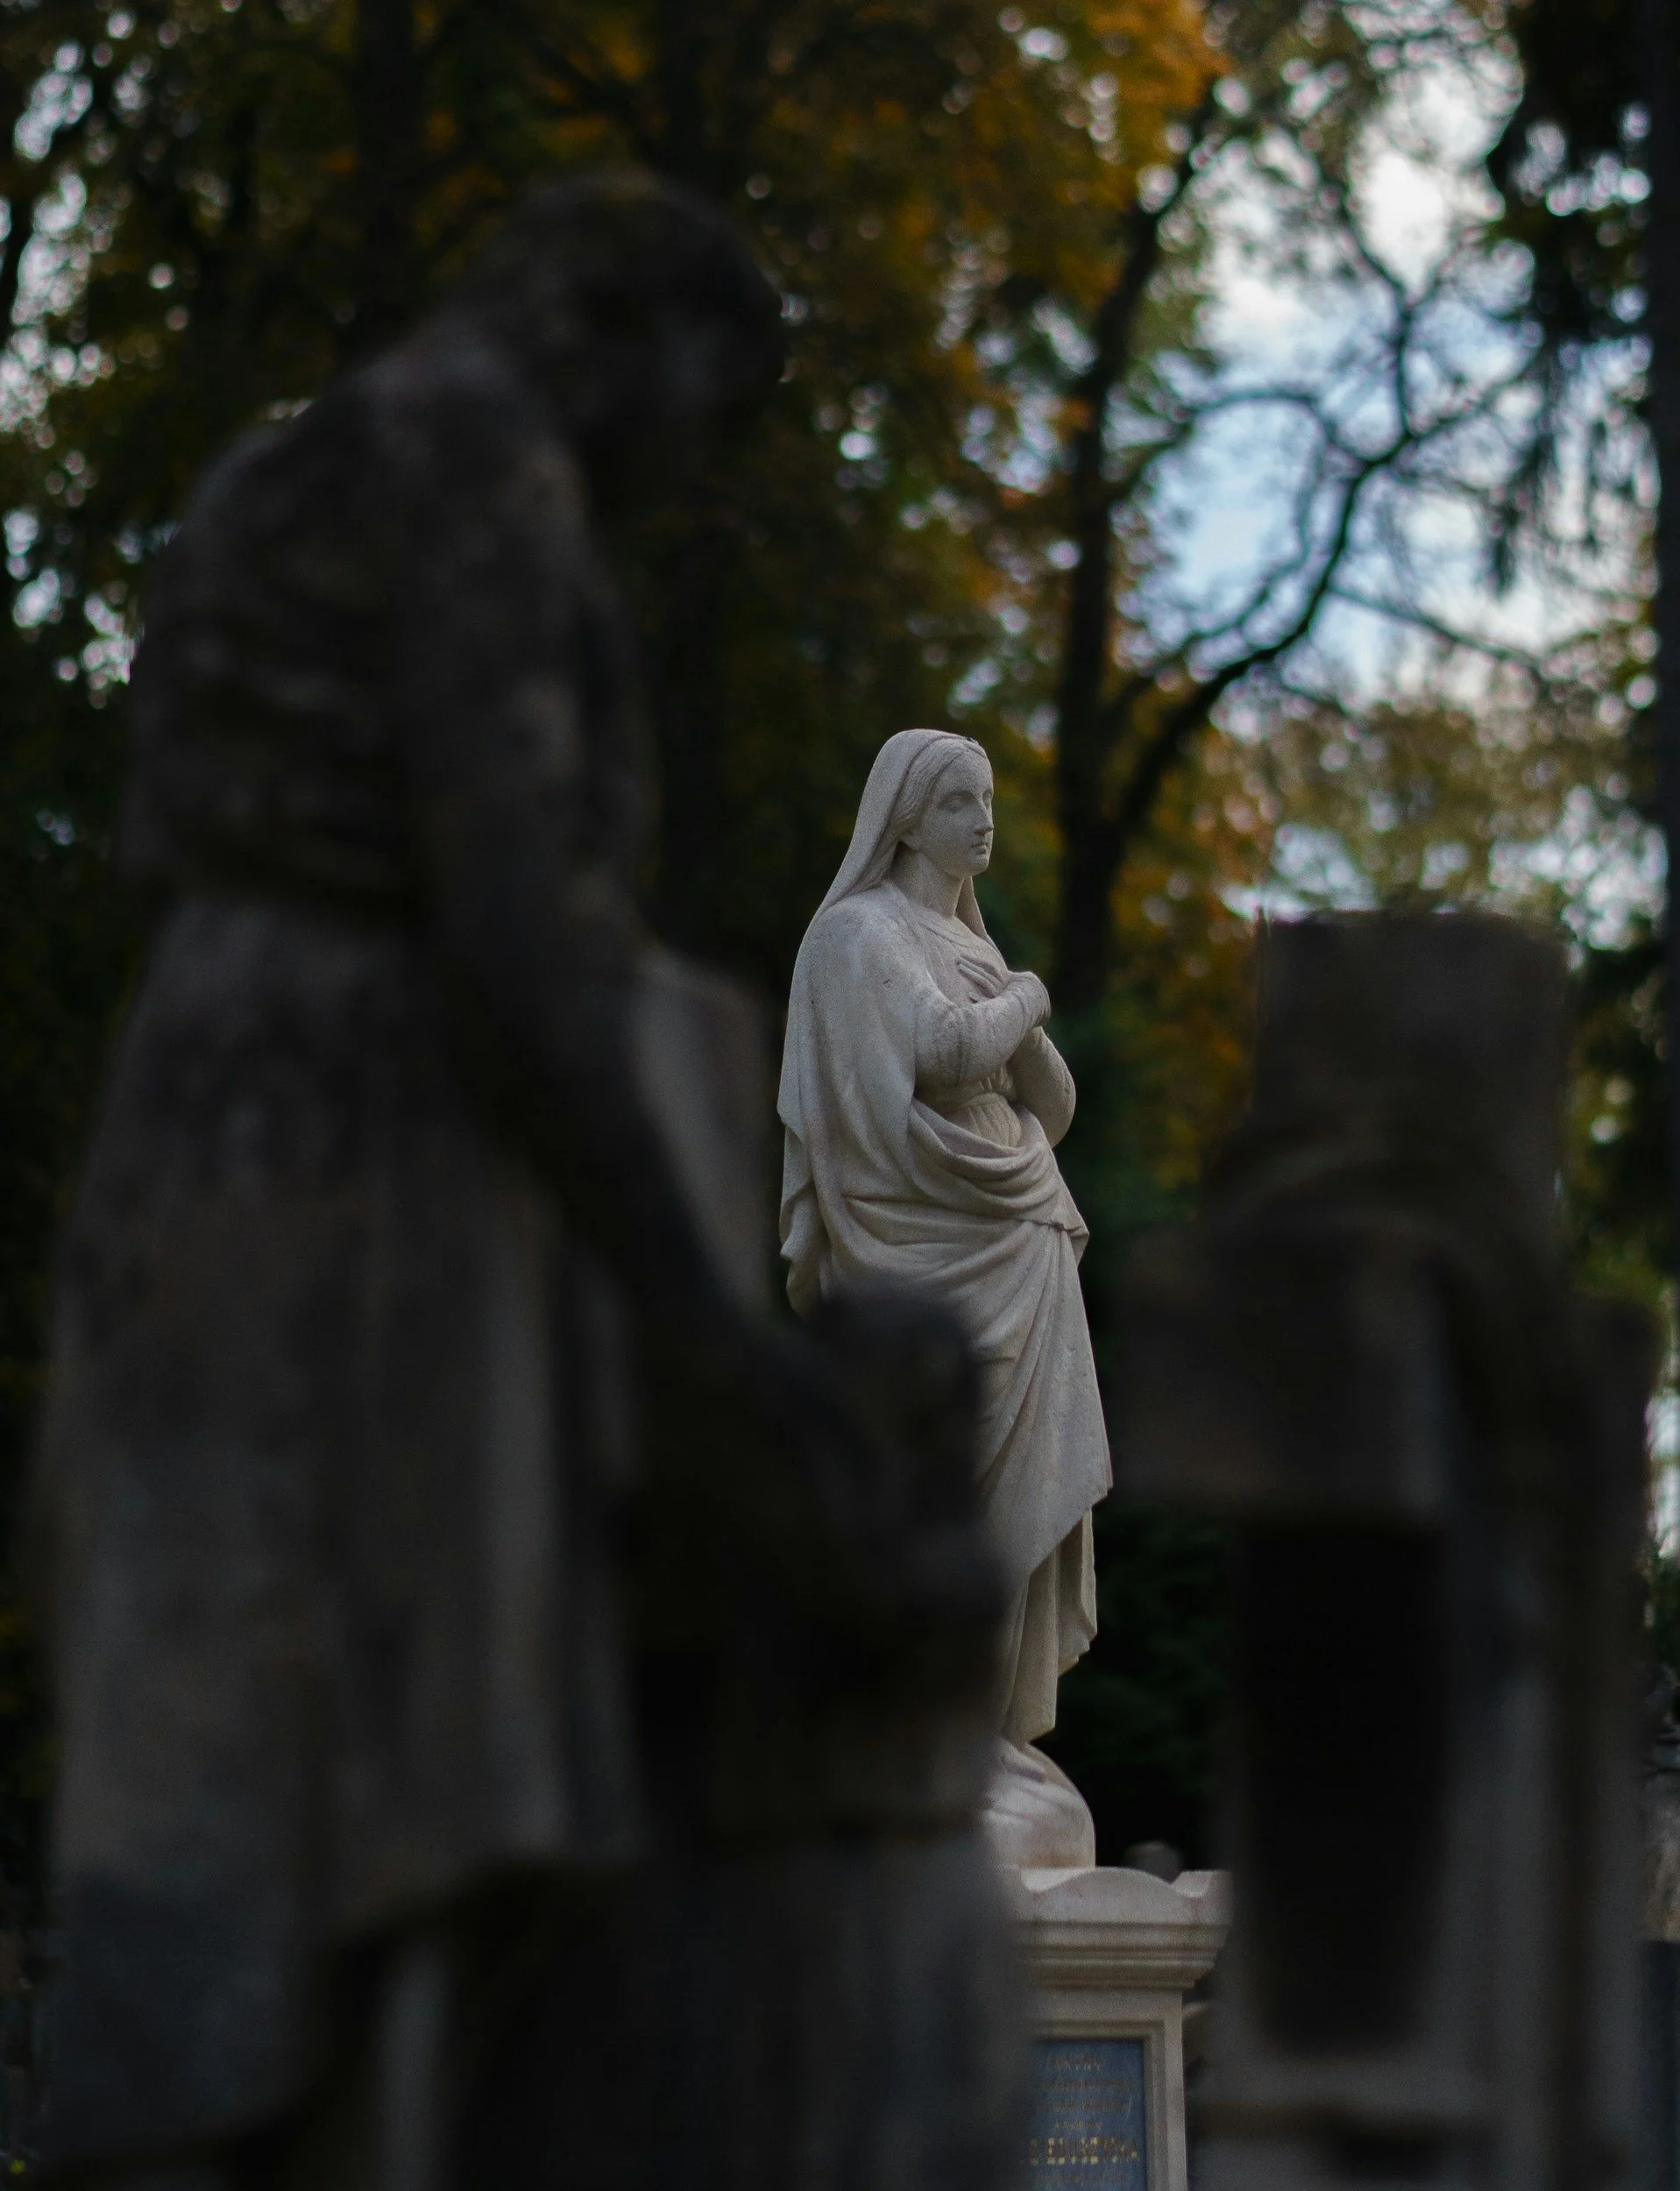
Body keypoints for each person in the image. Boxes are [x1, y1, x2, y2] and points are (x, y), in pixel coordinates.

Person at [34, 177, 1015, 2191]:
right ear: (615, 335)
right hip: (368, 1147)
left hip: (206, 1105)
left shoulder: (273, 479)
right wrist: (695, 1320)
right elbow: (512, 939)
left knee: (221, 1704)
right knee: (370, 1734)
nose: (678, 474)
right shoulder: (483, 474)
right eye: (699, 409)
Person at [778, 728, 1110, 1852]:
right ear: (906, 818)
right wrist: (1025, 996)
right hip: (921, 1247)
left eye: (989, 800)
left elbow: (1050, 1104)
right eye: (960, 802)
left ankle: (982, 1735)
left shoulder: (966, 943)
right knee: (936, 1484)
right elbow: (944, 1051)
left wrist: (1008, 998)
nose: (984, 821)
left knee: (1017, 1491)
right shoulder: (856, 935)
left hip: (1018, 1235)